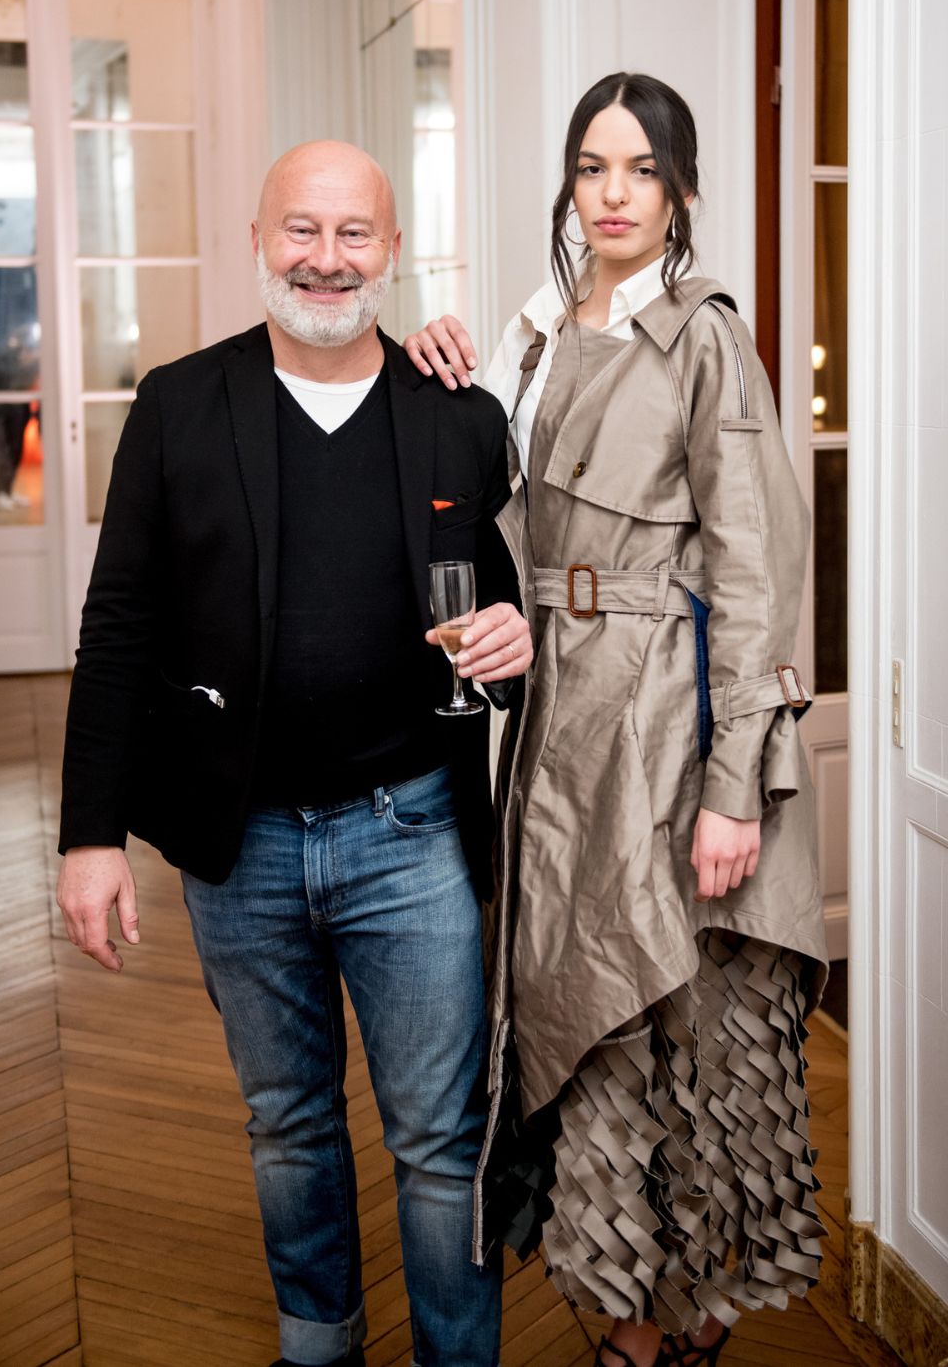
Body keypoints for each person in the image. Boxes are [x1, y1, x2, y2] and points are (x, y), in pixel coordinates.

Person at [57, 140, 533, 1367]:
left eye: (353, 233)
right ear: (260, 241)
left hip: (413, 836)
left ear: (392, 248)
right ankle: (318, 1346)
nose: (327, 259)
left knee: (439, 1140)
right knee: (287, 1126)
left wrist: (512, 635)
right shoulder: (178, 405)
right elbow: (118, 629)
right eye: (302, 231)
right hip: (242, 844)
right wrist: (88, 836)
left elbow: (510, 609)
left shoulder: (459, 417)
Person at [405, 73, 828, 1367]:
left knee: (677, 1044)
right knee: (592, 1042)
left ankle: (672, 1334)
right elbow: (488, 490)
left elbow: (754, 570)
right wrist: (431, 365)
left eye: (643, 169)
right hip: (557, 733)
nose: (615, 193)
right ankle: (630, 1321)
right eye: (593, 166)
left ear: (681, 190)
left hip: (667, 727)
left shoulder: (704, 335)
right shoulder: (538, 336)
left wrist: (736, 786)